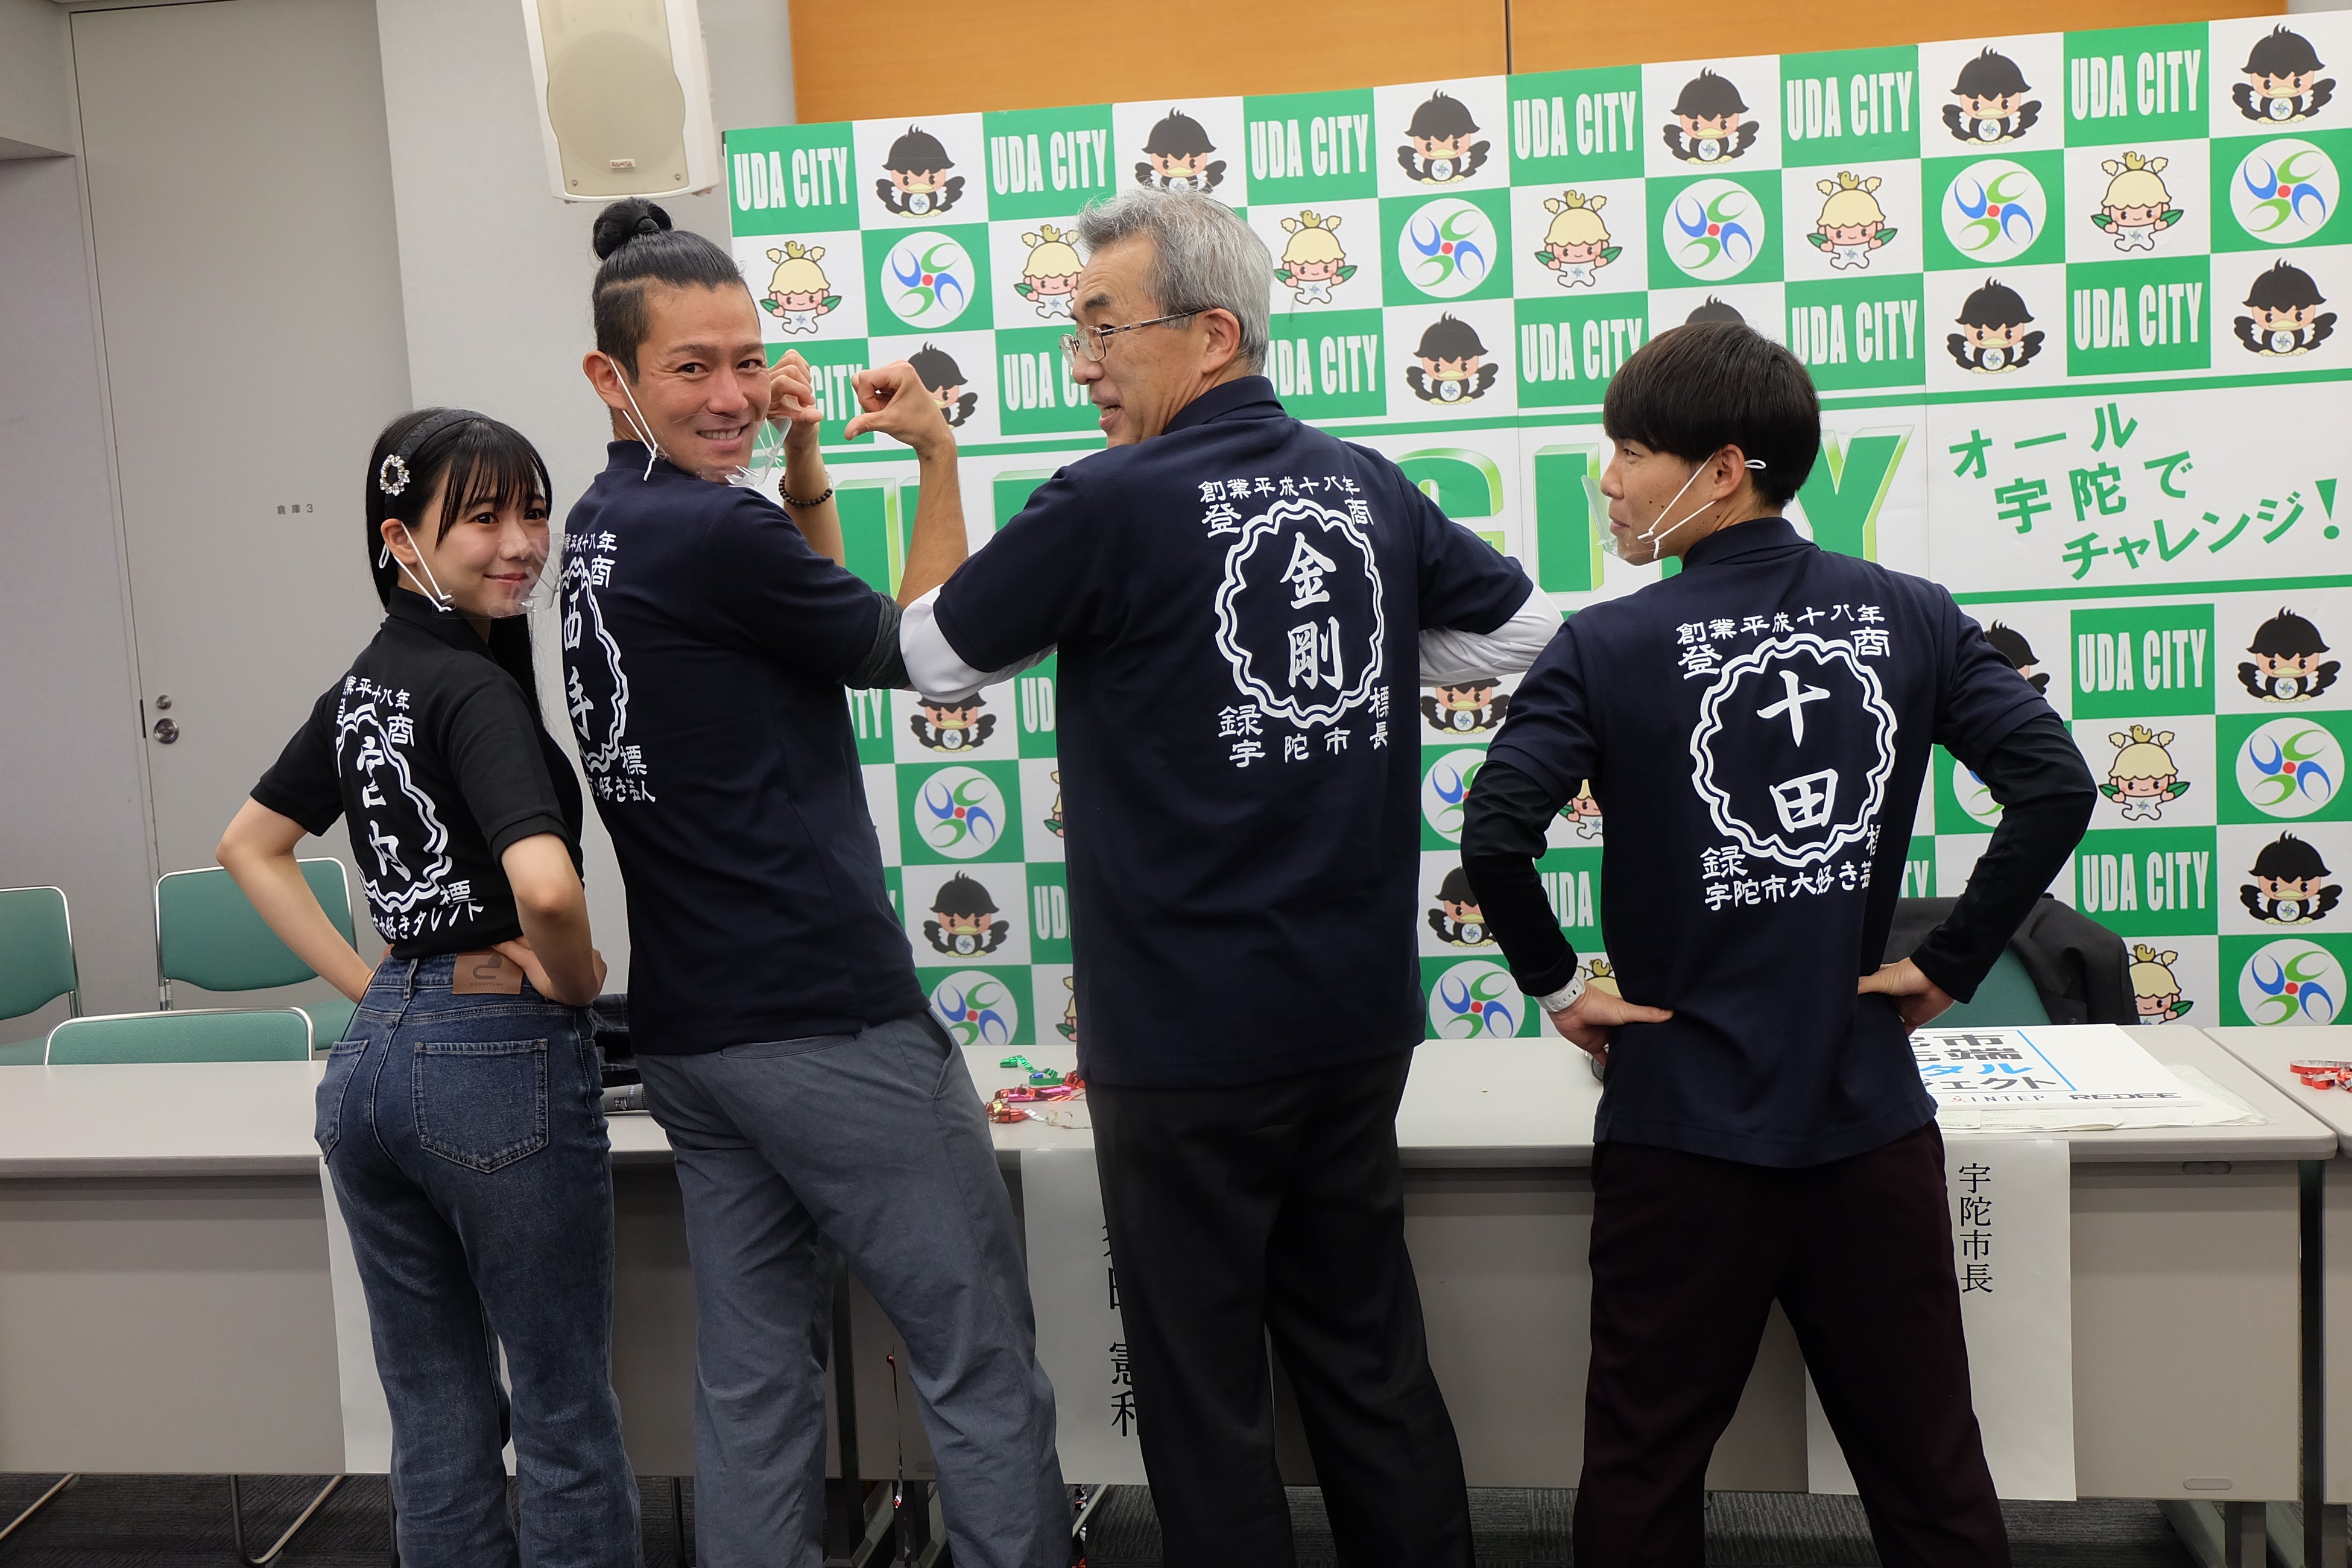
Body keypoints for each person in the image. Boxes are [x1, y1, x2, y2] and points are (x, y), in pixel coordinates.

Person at [896, 186, 1562, 1568]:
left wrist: (936, 461)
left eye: (1103, 329)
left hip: (1184, 1038)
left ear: (1211, 334)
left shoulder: (1106, 503)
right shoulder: (1368, 486)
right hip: (1352, 1020)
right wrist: (1387, 643)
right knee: (1368, 1359)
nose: (1082, 363)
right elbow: (1526, 637)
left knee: (1204, 1396)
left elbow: (935, 657)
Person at [1458, 320, 2097, 1567]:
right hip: (1865, 1113)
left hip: (1678, 1126)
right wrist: (1951, 963)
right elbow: (2056, 783)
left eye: (1632, 452)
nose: (1608, 480)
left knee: (1643, 1470)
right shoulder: (1910, 615)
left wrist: (1561, 989)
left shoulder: (1609, 644)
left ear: (1724, 469)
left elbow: (1496, 833)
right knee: (1930, 1472)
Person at [560, 199, 1065, 1568]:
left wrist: (798, 460)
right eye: (692, 369)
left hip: (698, 1034)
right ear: (611, 377)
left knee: (754, 1379)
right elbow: (933, 653)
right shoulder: (711, 536)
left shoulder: (608, 529)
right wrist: (939, 453)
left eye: (747, 361)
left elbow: (803, 624)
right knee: (974, 1353)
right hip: (825, 1021)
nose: (731, 395)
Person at [218, 408, 637, 1567]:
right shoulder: (473, 689)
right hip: (492, 1057)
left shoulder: (365, 686)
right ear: (400, 539)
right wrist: (577, 978)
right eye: (483, 519)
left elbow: (249, 845)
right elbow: (544, 887)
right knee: (562, 1412)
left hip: (371, 1070)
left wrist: (378, 991)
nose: (523, 544)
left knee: (437, 1416)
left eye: (534, 513)